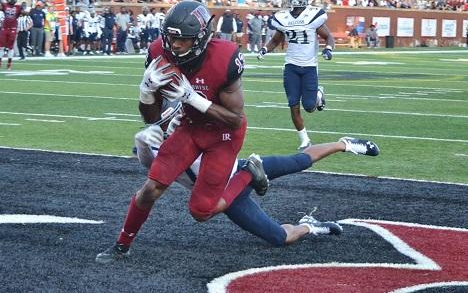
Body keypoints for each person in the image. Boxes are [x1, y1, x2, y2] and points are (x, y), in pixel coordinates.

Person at [95, 101, 380, 263]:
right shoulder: (155, 149)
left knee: (300, 161)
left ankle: (345, 144)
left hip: (236, 171)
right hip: (226, 195)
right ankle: (310, 226)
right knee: (280, 238)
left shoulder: (193, 129)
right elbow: (150, 189)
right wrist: (123, 242)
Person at [96, 0, 269, 262]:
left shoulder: (224, 57)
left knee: (201, 211)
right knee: (151, 188)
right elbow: (151, 119)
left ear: (200, 38)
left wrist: (192, 98)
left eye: (183, 40)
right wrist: (146, 92)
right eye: (170, 37)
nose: (174, 45)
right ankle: (122, 245)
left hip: (223, 135)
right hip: (190, 126)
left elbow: (235, 119)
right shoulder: (159, 52)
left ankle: (247, 172)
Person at [257, 0, 335, 150]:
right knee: (293, 104)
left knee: (309, 107)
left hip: (309, 67)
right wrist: (265, 49)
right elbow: (276, 40)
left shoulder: (313, 15)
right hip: (291, 66)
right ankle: (304, 140)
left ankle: (318, 94)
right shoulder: (283, 18)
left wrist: (328, 49)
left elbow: (329, 37)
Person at [0, 0, 23, 70]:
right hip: (5, 29)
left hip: (12, 29)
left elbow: (24, 13)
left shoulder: (18, 7)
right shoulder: (5, 5)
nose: (13, 0)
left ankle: (9, 64)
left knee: (10, 47)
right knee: (1, 46)